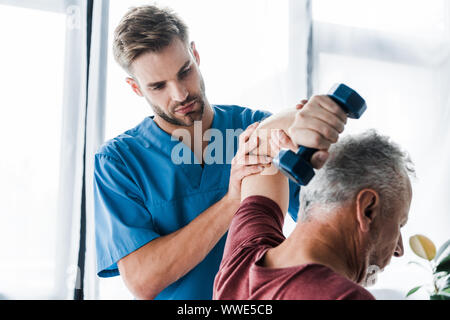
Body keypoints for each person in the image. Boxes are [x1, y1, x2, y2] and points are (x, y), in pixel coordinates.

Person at [93, 5, 346, 300]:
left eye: (184, 71)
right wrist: (232, 200)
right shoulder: (119, 162)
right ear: (136, 88)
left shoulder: (256, 131)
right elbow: (143, 280)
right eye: (158, 86)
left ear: (195, 55)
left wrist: (317, 142)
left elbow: (322, 216)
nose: (180, 94)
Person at [213, 129, 415, 300]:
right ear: (367, 209)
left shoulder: (240, 260)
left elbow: (261, 139)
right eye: (399, 224)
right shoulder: (344, 296)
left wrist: (306, 121)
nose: (399, 250)